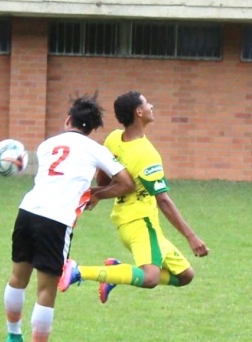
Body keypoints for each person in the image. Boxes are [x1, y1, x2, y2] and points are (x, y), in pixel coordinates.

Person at [4, 93, 135, 342]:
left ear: (68, 121)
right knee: (46, 290)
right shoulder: (94, 149)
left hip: (27, 212)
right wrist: (97, 194)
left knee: (17, 276)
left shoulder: (47, 144)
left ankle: (13, 336)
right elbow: (127, 183)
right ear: (91, 129)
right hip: (56, 221)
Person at [59, 91, 209, 303]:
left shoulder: (113, 138)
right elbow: (163, 200)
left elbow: (102, 179)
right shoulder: (148, 155)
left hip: (126, 221)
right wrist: (191, 237)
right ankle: (79, 272)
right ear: (139, 112)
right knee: (150, 278)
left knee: (185, 276)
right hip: (141, 223)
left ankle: (117, 273)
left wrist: (99, 194)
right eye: (147, 103)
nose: (151, 106)